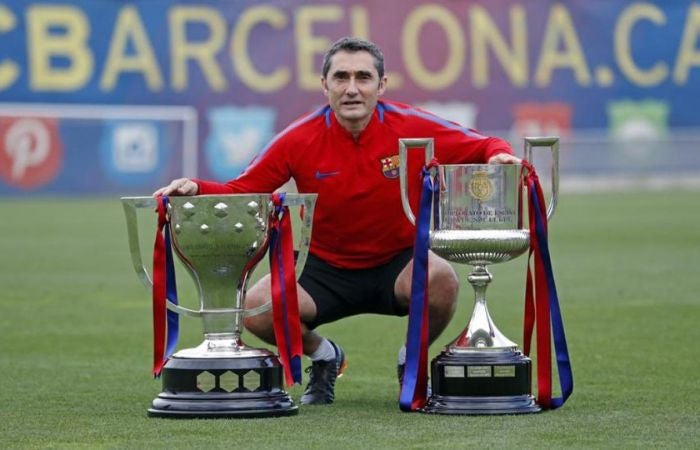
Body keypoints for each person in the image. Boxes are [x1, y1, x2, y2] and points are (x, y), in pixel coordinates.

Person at [154, 37, 520, 405]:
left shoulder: (412, 126)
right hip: (321, 267)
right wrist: (196, 187)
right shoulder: (298, 138)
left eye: (363, 77)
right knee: (255, 309)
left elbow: (484, 145)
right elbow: (245, 188)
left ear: (382, 85)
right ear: (324, 84)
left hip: (399, 261)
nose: (351, 89)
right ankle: (325, 355)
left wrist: (501, 157)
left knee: (443, 281)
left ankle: (412, 359)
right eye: (341, 77)